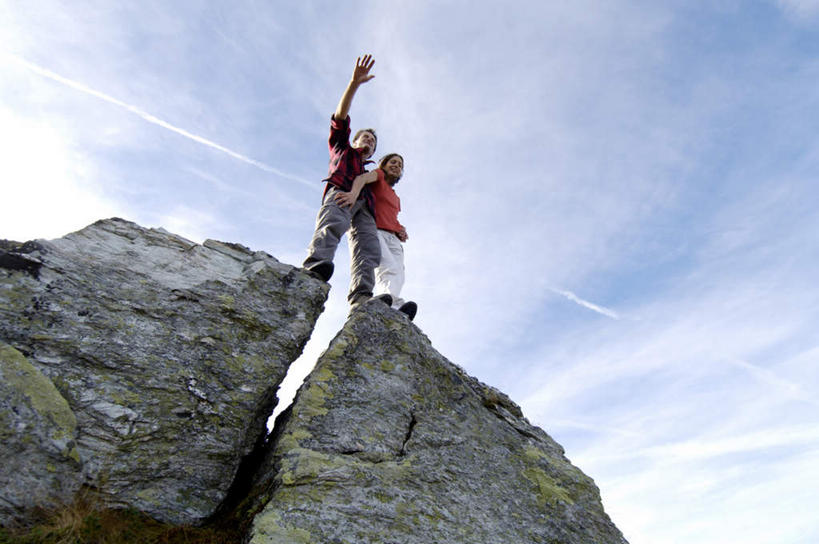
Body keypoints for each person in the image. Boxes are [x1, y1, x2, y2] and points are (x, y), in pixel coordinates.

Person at [302, 55, 391, 309]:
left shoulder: (370, 175)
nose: (369, 141)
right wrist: (354, 84)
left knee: (369, 248)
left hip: (365, 207)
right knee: (332, 224)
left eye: (373, 142)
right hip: (342, 190)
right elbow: (340, 117)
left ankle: (361, 297)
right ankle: (314, 266)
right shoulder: (342, 148)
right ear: (355, 141)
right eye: (365, 138)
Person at [335, 153, 417, 320]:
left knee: (399, 273)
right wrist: (353, 194)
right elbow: (362, 179)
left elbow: (391, 216)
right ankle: (388, 303)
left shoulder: (396, 197)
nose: (396, 166)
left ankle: (394, 305)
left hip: (393, 237)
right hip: (374, 230)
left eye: (400, 165)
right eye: (393, 162)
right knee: (387, 267)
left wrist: (400, 229)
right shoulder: (378, 176)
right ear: (384, 165)